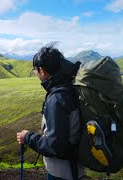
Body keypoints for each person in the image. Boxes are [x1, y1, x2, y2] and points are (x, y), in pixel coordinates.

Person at [16, 43, 85, 180]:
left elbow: (54, 145)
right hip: (74, 169)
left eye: (35, 70)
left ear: (42, 70)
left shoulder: (57, 98)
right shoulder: (69, 88)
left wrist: (27, 137)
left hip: (61, 172)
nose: (35, 73)